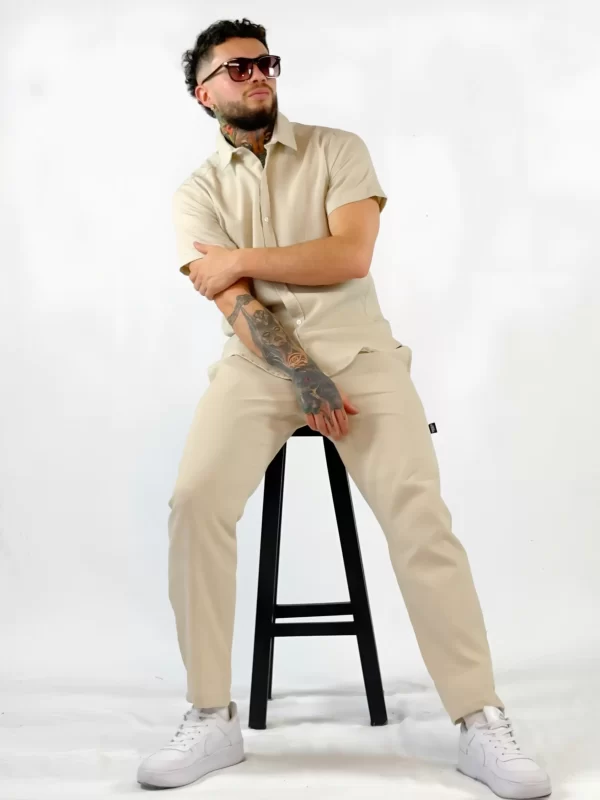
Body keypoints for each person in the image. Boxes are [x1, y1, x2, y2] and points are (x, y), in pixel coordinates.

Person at [136, 17, 552, 799]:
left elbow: (348, 254)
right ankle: (210, 715)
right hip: (260, 366)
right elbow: (235, 304)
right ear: (203, 93)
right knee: (194, 502)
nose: (259, 75)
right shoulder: (196, 193)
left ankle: (480, 718)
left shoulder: (338, 150)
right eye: (237, 68)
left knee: (419, 515)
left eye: (266, 62)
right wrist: (301, 376)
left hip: (363, 356)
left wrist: (240, 258)